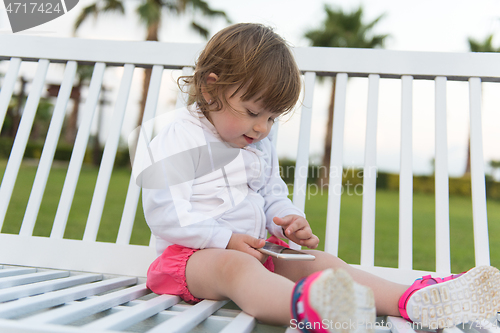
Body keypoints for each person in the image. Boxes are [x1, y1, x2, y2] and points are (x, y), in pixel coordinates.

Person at [140, 23, 500, 333]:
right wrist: (226, 238)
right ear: (210, 88)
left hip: (255, 252)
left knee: (316, 262)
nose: (262, 128)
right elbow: (165, 211)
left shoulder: (254, 144)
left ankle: (409, 299)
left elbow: (270, 194)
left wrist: (285, 221)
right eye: (253, 112)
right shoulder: (181, 137)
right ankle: (314, 311)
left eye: (272, 118)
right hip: (189, 259)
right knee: (233, 266)